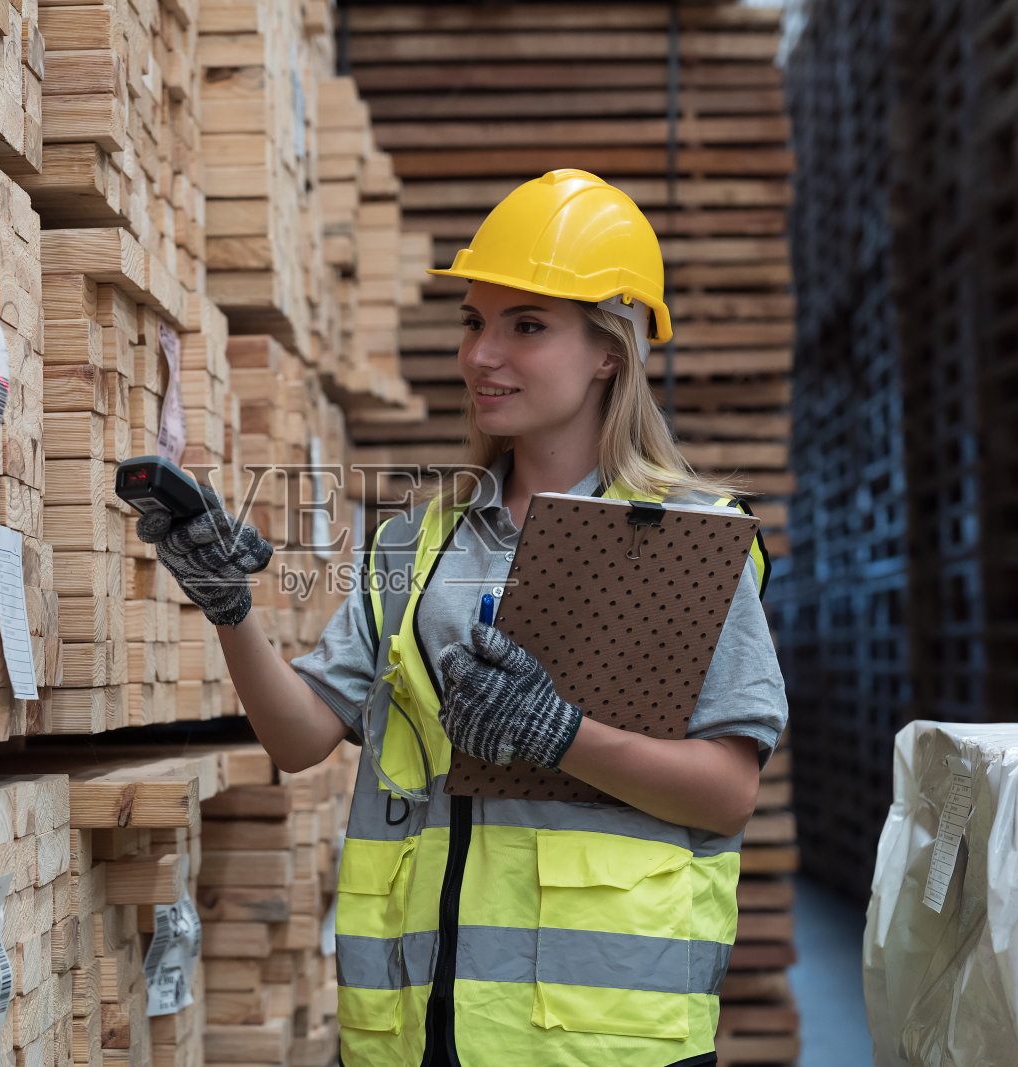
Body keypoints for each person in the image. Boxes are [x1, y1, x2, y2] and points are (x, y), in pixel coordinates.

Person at [135, 169, 789, 1067]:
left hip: (599, 1046)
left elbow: (728, 788)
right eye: (474, 321)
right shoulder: (417, 541)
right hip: (415, 1037)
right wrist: (230, 606)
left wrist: (559, 734)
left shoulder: (687, 543)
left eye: (526, 325)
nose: (482, 354)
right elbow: (297, 738)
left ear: (611, 349)